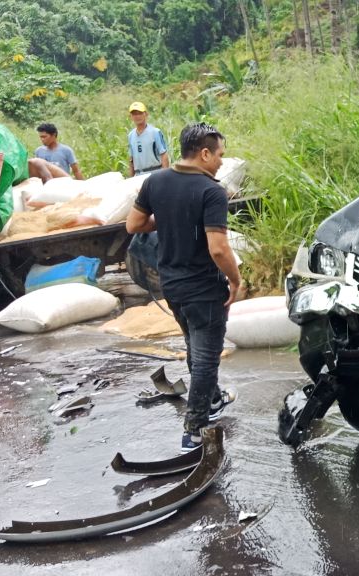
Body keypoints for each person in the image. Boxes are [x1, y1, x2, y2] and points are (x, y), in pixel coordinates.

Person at [125, 122, 242, 453]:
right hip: (204, 288)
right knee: (206, 357)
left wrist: (169, 216)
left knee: (194, 346)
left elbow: (133, 225)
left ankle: (214, 398)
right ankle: (194, 429)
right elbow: (218, 248)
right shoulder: (211, 191)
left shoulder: (156, 181)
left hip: (171, 285)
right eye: (219, 154)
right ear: (204, 153)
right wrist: (235, 280)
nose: (221, 161)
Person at [126, 101, 170, 177]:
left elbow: (164, 155)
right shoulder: (131, 135)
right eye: (134, 114)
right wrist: (130, 178)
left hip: (155, 174)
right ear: (131, 116)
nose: (137, 116)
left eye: (140, 113)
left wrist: (165, 177)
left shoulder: (155, 132)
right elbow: (131, 159)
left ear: (146, 114)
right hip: (138, 175)